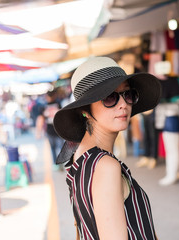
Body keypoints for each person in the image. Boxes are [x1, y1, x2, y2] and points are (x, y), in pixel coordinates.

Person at [53, 57, 161, 239]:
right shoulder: (106, 166)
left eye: (128, 94)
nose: (123, 104)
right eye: (110, 97)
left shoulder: (80, 158)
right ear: (84, 110)